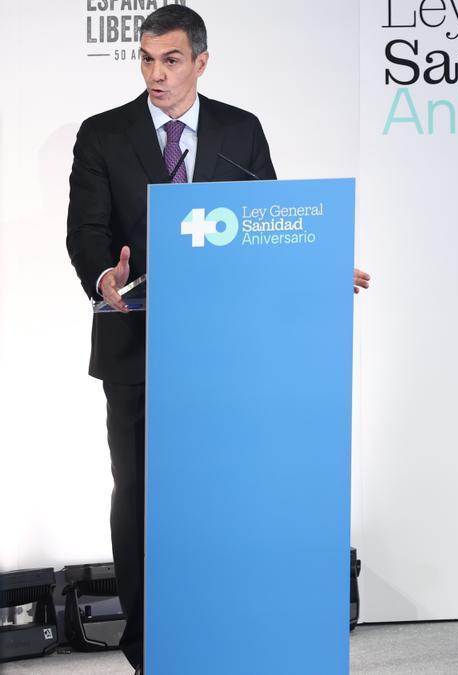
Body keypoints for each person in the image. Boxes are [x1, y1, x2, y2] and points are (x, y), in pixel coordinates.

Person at [64, 7, 368, 672]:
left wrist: (315, 263)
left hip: (224, 353)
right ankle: (148, 647)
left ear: (201, 61)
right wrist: (103, 274)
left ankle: (224, 632)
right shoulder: (103, 135)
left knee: (223, 496)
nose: (155, 73)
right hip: (137, 351)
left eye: (170, 59)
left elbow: (271, 223)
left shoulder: (238, 131)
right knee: (140, 501)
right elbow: (85, 232)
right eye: (145, 59)